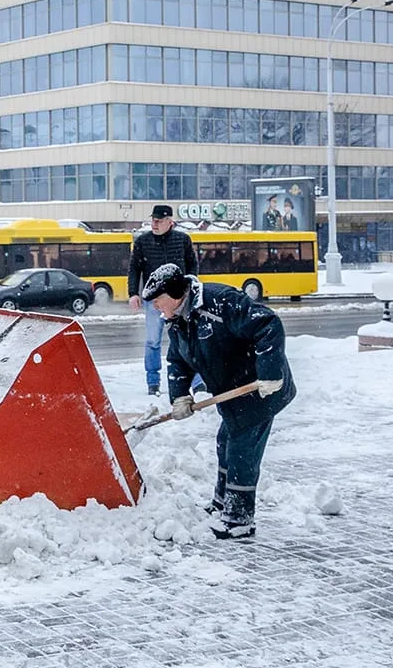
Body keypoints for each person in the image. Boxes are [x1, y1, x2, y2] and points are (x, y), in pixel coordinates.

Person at [142, 262, 296, 540]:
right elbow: (178, 361)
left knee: (241, 450)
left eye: (157, 300)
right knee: (226, 442)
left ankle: (239, 519)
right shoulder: (178, 321)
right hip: (231, 393)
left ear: (175, 294)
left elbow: (267, 323)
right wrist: (180, 396)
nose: (154, 307)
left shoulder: (220, 302)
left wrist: (270, 373)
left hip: (259, 388)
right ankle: (223, 504)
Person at [128, 204, 199, 396]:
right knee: (152, 341)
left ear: (170, 221)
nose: (154, 224)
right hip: (154, 301)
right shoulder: (143, 242)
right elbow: (134, 268)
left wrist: (191, 285)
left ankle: (198, 381)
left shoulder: (182, 239)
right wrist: (133, 293)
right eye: (153, 220)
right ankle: (153, 383)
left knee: (187, 337)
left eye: (159, 220)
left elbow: (193, 264)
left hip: (179, 300)